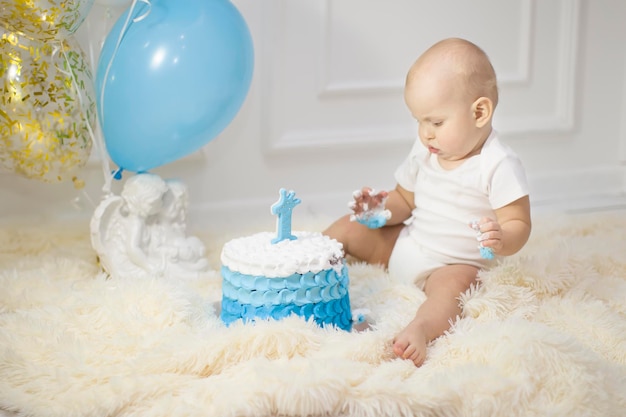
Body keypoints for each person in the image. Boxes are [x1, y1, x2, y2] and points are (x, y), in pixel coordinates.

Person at [324, 38, 532, 366]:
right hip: (407, 245)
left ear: (479, 112)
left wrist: (502, 237)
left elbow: (519, 223)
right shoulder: (426, 150)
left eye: (435, 122)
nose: (425, 133)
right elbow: (405, 200)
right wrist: (377, 209)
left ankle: (421, 327)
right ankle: (305, 264)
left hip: (450, 265)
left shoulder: (497, 163)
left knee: (455, 290)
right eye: (419, 121)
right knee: (347, 227)